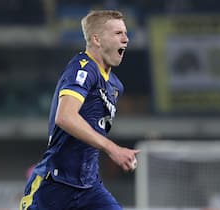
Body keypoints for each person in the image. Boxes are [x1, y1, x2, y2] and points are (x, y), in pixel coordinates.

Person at [19, 10, 140, 210]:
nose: (126, 39)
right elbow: (65, 116)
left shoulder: (115, 86)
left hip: (89, 188)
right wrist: (113, 148)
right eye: (118, 33)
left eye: (126, 33)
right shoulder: (83, 68)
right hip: (53, 187)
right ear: (97, 39)